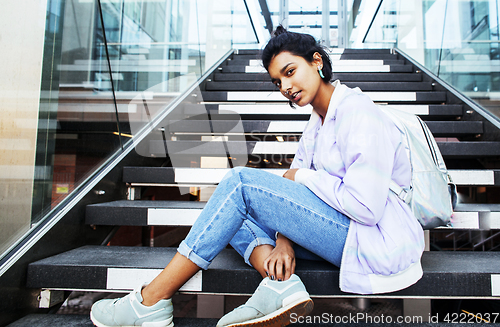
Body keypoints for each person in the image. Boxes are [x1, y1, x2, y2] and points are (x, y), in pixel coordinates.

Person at [90, 26, 425, 327]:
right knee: (231, 213)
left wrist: (304, 177)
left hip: (373, 238)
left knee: (239, 183)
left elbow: (365, 207)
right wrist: (284, 241)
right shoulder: (317, 123)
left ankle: (152, 299)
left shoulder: (359, 111)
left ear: (317, 61)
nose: (286, 87)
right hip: (342, 230)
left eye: (290, 72)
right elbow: (292, 188)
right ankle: (280, 284)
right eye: (278, 82)